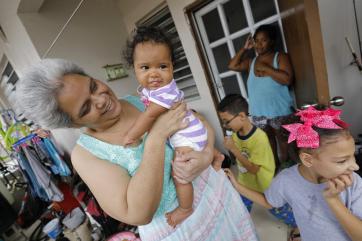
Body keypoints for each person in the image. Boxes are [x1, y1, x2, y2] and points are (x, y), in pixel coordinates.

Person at [16, 59, 258, 241]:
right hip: (183, 229)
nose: (100, 99)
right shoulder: (86, 155)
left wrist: (206, 154)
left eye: (92, 86)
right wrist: (156, 137)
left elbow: (196, 121)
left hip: (217, 193)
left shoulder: (139, 99)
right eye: (85, 108)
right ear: (73, 123)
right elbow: (136, 212)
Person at [224, 106, 362, 241]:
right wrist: (237, 186)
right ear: (308, 159)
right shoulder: (286, 181)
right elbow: (268, 202)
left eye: (353, 156)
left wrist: (333, 200)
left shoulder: (354, 182)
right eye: (342, 161)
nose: (355, 166)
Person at [123, 27, 207, 227]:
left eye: (162, 66)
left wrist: (132, 135)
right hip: (189, 130)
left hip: (188, 136)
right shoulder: (151, 90)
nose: (154, 74)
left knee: (181, 174)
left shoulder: (165, 92)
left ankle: (186, 208)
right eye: (145, 68)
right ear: (134, 68)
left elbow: (150, 115)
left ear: (172, 67)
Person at [218, 94, 297, 235]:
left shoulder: (259, 138)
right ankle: (238, 231)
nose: (225, 126)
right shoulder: (236, 135)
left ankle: (298, 223)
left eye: (226, 121)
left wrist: (234, 150)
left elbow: (254, 169)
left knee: (278, 209)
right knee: (240, 208)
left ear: (242, 116)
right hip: (245, 182)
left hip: (263, 184)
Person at [228, 24, 294, 169]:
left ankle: (286, 166)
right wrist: (245, 49)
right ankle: (274, 166)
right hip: (259, 112)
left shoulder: (280, 56)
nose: (259, 44)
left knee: (284, 142)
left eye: (263, 40)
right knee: (268, 140)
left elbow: (287, 79)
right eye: (256, 40)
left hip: (279, 111)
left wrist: (267, 69)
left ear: (271, 41)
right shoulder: (252, 62)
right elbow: (232, 66)